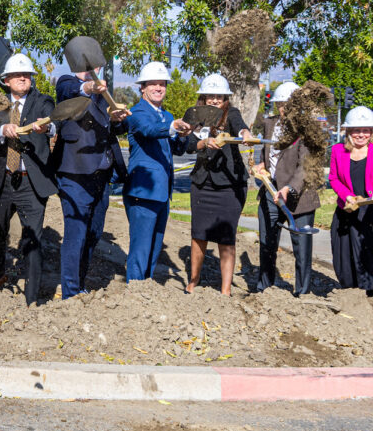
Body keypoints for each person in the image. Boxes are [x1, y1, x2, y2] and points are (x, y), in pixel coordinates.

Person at [51, 36, 129, 298]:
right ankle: (70, 293)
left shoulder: (105, 97)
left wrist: (117, 118)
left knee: (94, 233)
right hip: (74, 174)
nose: (95, 69)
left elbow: (113, 128)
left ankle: (80, 283)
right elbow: (69, 92)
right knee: (76, 233)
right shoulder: (68, 83)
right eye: (90, 66)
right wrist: (89, 87)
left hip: (101, 176)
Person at [0, 53, 55, 304]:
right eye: (17, 75)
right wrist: (2, 130)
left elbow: (52, 120)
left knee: (33, 238)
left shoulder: (42, 101)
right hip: (4, 179)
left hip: (31, 181)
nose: (23, 78)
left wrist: (46, 127)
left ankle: (32, 297)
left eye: (26, 75)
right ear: (6, 80)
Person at [182, 73, 251, 295]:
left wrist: (245, 132)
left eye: (218, 96)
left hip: (230, 185)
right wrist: (203, 142)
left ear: (225, 98)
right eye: (209, 96)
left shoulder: (231, 113)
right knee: (198, 234)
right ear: (203, 97)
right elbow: (188, 144)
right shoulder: (193, 115)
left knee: (226, 237)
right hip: (203, 184)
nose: (214, 100)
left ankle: (225, 289)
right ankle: (194, 280)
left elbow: (240, 126)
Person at [122, 61, 190, 283]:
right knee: (140, 248)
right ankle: (135, 289)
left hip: (162, 192)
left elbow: (176, 149)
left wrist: (182, 134)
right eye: (153, 84)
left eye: (162, 84)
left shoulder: (168, 115)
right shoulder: (136, 112)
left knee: (154, 247)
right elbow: (149, 130)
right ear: (143, 88)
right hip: (143, 190)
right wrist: (173, 128)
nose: (159, 88)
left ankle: (147, 288)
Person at [255, 82, 320, 295]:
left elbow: (306, 165)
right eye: (281, 104)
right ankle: (265, 287)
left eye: (290, 104)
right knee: (267, 243)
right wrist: (261, 164)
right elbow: (264, 152)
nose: (285, 109)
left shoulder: (308, 128)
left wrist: (289, 188)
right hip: (270, 191)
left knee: (301, 248)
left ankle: (302, 292)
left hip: (298, 197)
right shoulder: (269, 124)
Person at [329, 106, 373, 295]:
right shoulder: (337, 151)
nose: (361, 135)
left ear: (372, 132)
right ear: (348, 132)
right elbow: (333, 178)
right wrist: (347, 196)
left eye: (365, 130)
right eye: (356, 130)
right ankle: (352, 290)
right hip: (350, 210)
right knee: (346, 253)